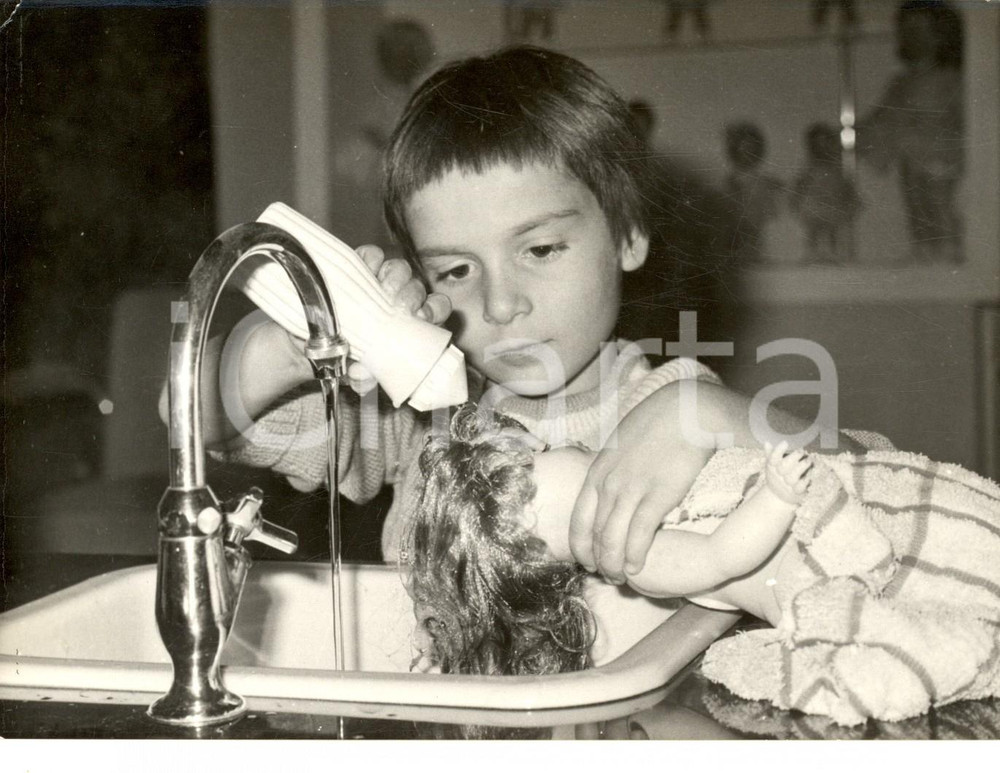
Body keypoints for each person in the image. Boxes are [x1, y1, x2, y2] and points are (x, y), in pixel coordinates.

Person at [164, 45, 861, 579]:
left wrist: (706, 412)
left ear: (626, 233)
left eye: (540, 248)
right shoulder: (418, 422)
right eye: (457, 270)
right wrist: (298, 342)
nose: (500, 303)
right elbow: (194, 419)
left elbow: (891, 482)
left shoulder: (666, 413)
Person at [405, 403, 1000, 726]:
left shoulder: (644, 485)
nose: (548, 440)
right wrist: (777, 496)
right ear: (533, 546)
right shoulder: (634, 559)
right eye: (536, 458)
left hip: (861, 527)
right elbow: (721, 556)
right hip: (827, 563)